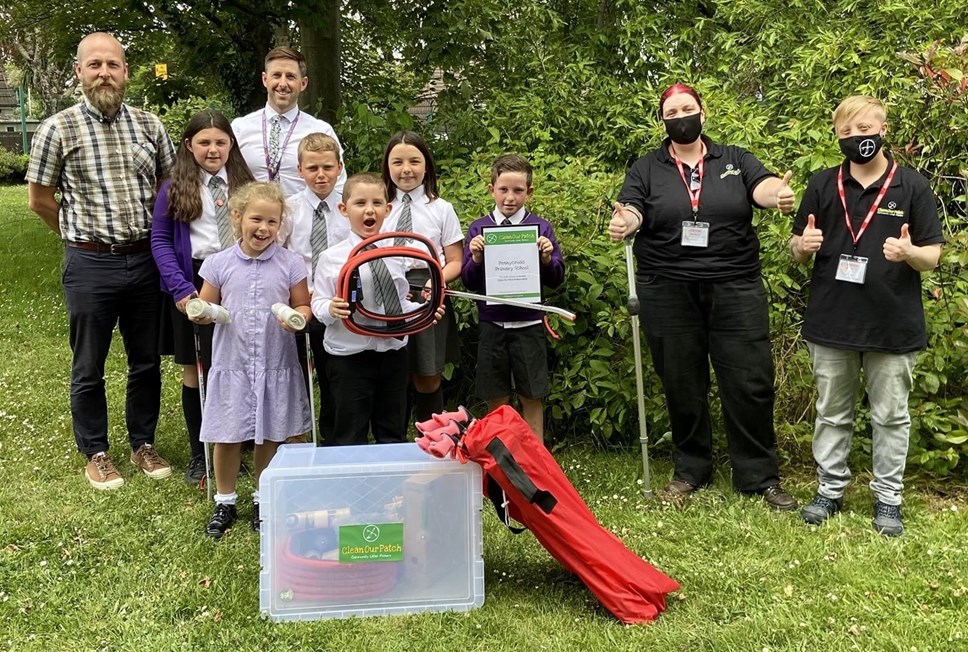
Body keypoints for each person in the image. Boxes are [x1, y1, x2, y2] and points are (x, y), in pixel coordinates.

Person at [608, 82, 797, 510]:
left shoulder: (734, 158)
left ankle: (758, 476)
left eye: (687, 109)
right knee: (681, 381)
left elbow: (763, 187)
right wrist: (627, 223)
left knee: (749, 382)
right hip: (667, 288)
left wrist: (778, 196)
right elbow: (633, 207)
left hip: (735, 286)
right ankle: (691, 470)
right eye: (671, 112)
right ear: (663, 121)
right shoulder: (647, 167)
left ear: (703, 113)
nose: (680, 117)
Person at [26, 32, 176, 490]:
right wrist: (77, 239)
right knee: (88, 363)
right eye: (95, 65)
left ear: (126, 71)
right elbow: (39, 199)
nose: (104, 73)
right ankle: (95, 450)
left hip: (144, 259)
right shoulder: (58, 129)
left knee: (145, 360)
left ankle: (143, 443)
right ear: (79, 72)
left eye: (112, 64)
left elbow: (169, 188)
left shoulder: (150, 126)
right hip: (90, 263)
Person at [790, 95, 943, 537]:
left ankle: (888, 499)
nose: (858, 138)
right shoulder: (822, 184)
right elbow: (796, 248)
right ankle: (829, 490)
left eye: (865, 129)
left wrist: (909, 252)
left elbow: (932, 256)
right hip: (832, 321)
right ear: (838, 136)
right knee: (832, 413)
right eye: (848, 132)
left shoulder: (911, 187)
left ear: (883, 129)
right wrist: (803, 246)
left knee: (891, 416)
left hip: (892, 324)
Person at [188, 181, 312, 538]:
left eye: (272, 222)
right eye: (257, 219)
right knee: (228, 434)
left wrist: (295, 316)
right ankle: (224, 500)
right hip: (233, 363)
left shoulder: (290, 263)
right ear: (238, 217)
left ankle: (263, 497)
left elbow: (302, 304)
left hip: (275, 360)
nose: (264, 228)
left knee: (269, 433)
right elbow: (207, 304)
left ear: (280, 225)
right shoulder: (218, 263)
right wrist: (202, 312)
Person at [150, 110, 255, 483]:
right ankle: (200, 453)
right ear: (188, 145)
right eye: (204, 142)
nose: (213, 149)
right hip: (192, 281)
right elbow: (160, 241)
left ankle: (237, 445)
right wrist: (181, 288)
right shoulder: (173, 186)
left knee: (236, 364)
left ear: (231, 144)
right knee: (197, 370)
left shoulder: (245, 183)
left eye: (220, 142)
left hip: (239, 279)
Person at [312, 173, 444, 445]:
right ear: (344, 209)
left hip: (392, 354)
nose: (369, 210)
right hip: (350, 356)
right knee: (350, 429)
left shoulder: (397, 255)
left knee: (392, 427)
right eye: (360, 203)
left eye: (376, 203)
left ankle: (391, 486)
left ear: (388, 209)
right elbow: (318, 302)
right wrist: (330, 308)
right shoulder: (332, 258)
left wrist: (424, 311)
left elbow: (397, 302)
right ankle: (351, 484)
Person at [461, 154, 564, 442]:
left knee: (532, 395)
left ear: (529, 192)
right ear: (491, 188)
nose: (510, 197)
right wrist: (477, 258)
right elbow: (469, 281)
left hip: (529, 324)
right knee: (497, 397)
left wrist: (546, 259)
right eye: (503, 189)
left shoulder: (540, 228)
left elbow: (556, 279)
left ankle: (535, 461)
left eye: (518, 190)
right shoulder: (479, 228)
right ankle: (501, 457)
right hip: (492, 325)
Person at [381, 131, 464, 422]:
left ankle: (433, 441)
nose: (406, 169)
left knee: (427, 374)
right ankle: (393, 444)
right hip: (386, 292)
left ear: (426, 165)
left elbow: (456, 260)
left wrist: (437, 280)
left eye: (414, 161)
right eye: (398, 162)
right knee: (394, 372)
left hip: (427, 292)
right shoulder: (377, 206)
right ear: (387, 166)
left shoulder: (441, 209)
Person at [280, 132, 349, 443]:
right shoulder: (289, 209)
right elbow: (279, 253)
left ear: (339, 167)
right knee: (297, 372)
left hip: (338, 302)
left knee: (335, 373)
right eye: (312, 168)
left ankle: (334, 435)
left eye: (327, 167)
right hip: (301, 301)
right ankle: (298, 435)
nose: (321, 175)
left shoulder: (350, 208)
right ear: (300, 171)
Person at [231, 46, 347, 198]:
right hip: (253, 218)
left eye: (291, 77)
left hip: (303, 219)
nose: (283, 83)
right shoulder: (239, 128)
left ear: (303, 83)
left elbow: (338, 187)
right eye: (277, 75)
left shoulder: (321, 131)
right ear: (265, 79)